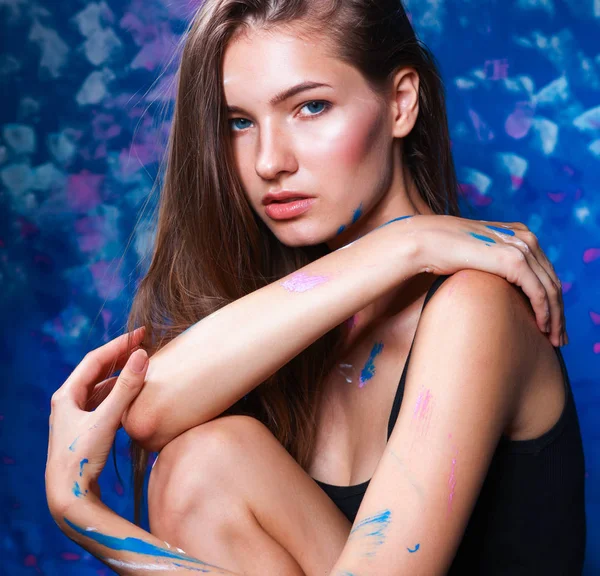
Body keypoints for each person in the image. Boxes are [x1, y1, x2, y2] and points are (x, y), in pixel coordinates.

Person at [45, 0, 586, 575]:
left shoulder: (480, 307)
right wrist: (404, 246)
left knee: (203, 466)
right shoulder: (292, 326)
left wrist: (83, 512)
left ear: (401, 102)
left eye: (310, 107)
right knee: (200, 461)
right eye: (239, 122)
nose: (269, 162)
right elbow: (149, 410)